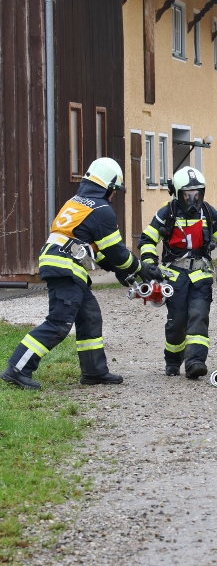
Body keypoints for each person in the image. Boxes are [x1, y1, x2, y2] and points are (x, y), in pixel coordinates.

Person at [1, 158, 151, 391]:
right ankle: (17, 369)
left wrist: (119, 270)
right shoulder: (101, 210)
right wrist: (141, 268)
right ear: (108, 186)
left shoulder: (77, 202)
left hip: (61, 262)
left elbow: (96, 250)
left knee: (90, 316)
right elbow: (117, 253)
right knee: (59, 322)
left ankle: (94, 372)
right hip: (65, 267)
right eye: (114, 190)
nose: (113, 195)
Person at [138, 166, 217, 379]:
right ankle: (173, 360)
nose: (193, 199)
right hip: (174, 276)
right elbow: (147, 239)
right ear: (178, 194)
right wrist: (149, 263)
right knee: (177, 322)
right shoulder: (167, 213)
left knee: (199, 315)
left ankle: (195, 361)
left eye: (197, 194)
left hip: (200, 275)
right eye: (187, 195)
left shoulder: (208, 212)